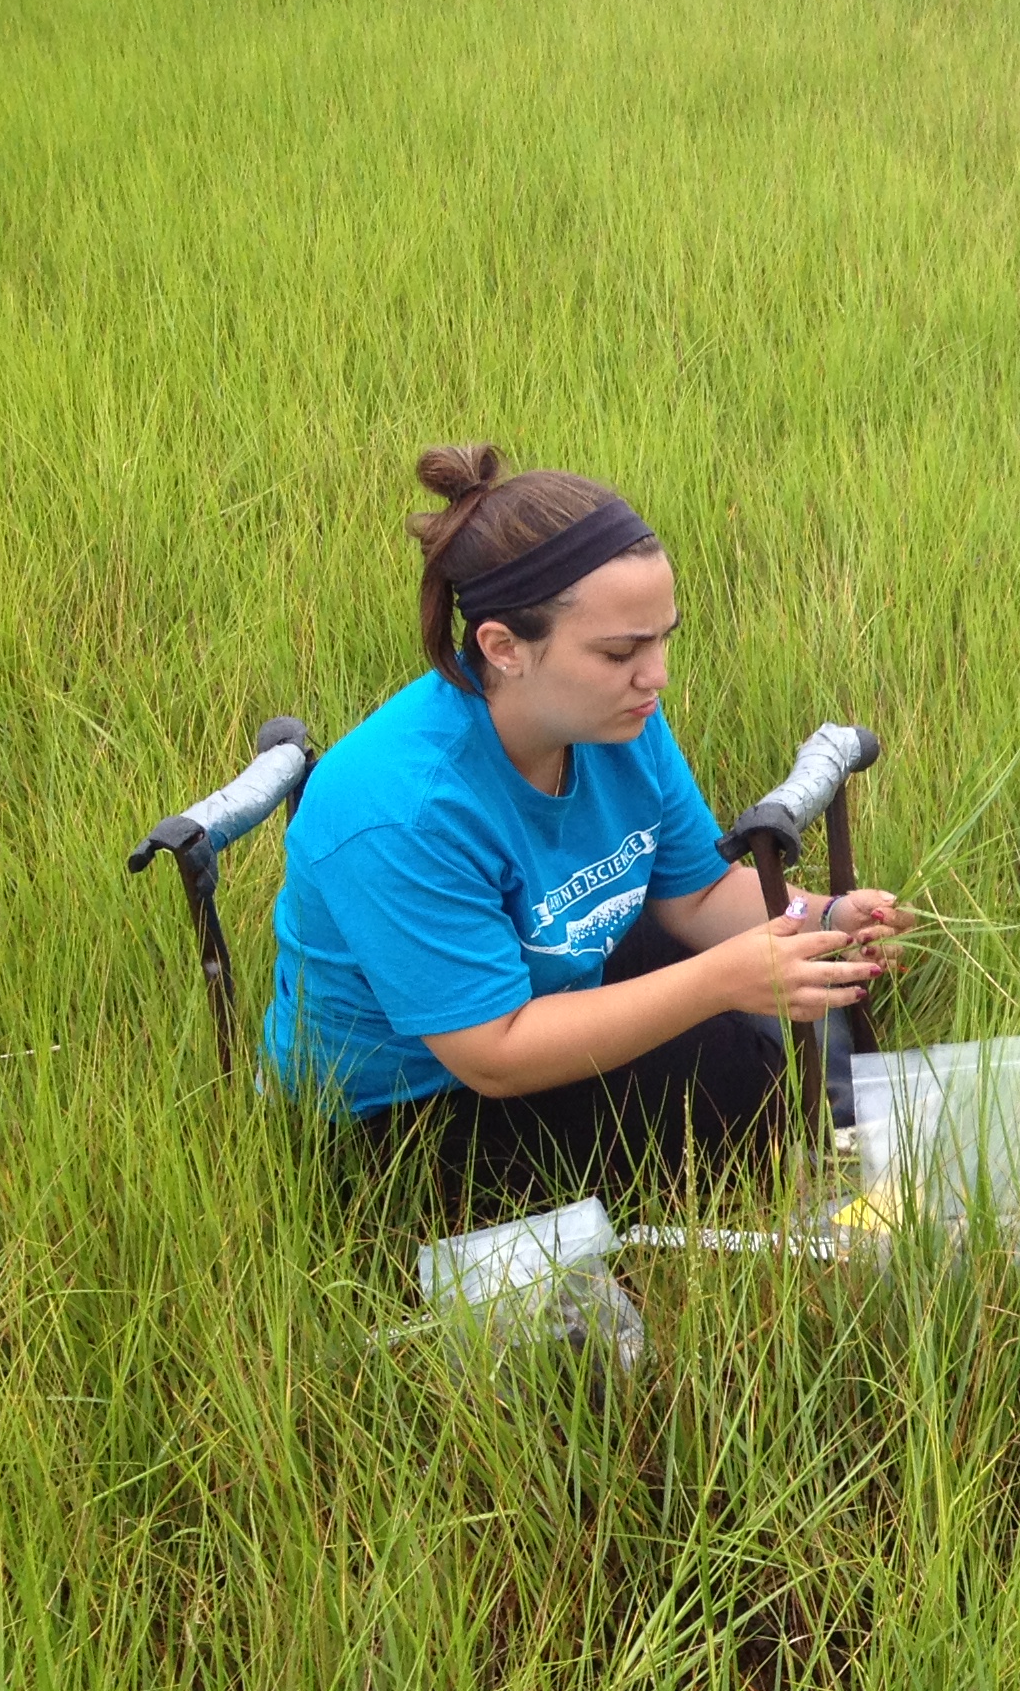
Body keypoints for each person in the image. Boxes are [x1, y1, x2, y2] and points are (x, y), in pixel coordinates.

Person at [265, 444, 902, 1205]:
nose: (656, 675)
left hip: (545, 973)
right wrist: (717, 982)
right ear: (503, 648)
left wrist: (823, 921)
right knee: (733, 1093)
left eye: (664, 638)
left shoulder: (617, 723)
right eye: (620, 651)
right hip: (408, 1107)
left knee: (753, 1052)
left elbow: (696, 896)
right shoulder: (400, 808)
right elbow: (491, 1053)